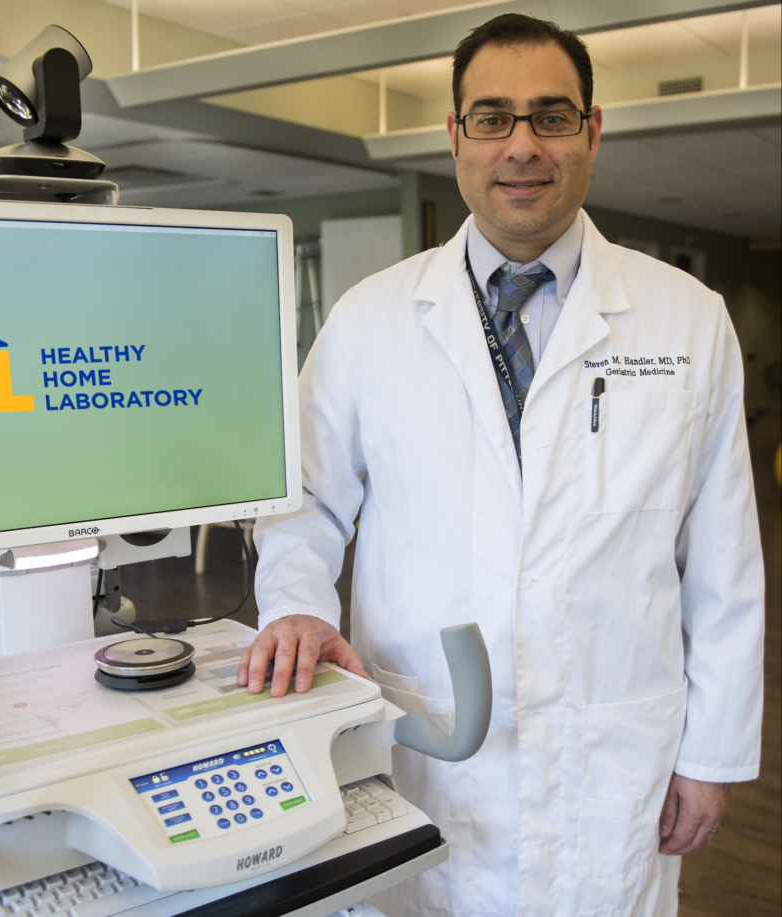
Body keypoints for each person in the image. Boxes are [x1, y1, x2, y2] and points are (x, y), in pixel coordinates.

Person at [239, 13, 764, 917]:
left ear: (592, 131)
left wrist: (708, 757)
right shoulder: (370, 320)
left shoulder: (688, 319)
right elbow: (309, 500)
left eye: (552, 116)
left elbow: (722, 559)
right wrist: (293, 604)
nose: (522, 144)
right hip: (427, 741)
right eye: (492, 117)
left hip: (612, 751)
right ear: (455, 137)